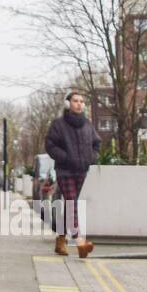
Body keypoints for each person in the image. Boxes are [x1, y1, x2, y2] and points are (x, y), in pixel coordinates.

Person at [44, 90, 100, 258]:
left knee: (70, 205)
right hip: (65, 170)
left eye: (82, 101)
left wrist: (91, 158)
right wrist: (65, 158)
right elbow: (50, 144)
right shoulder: (58, 125)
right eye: (75, 100)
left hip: (81, 170)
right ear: (68, 104)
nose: (79, 103)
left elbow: (97, 144)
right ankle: (79, 241)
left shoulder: (87, 125)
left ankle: (60, 241)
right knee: (72, 202)